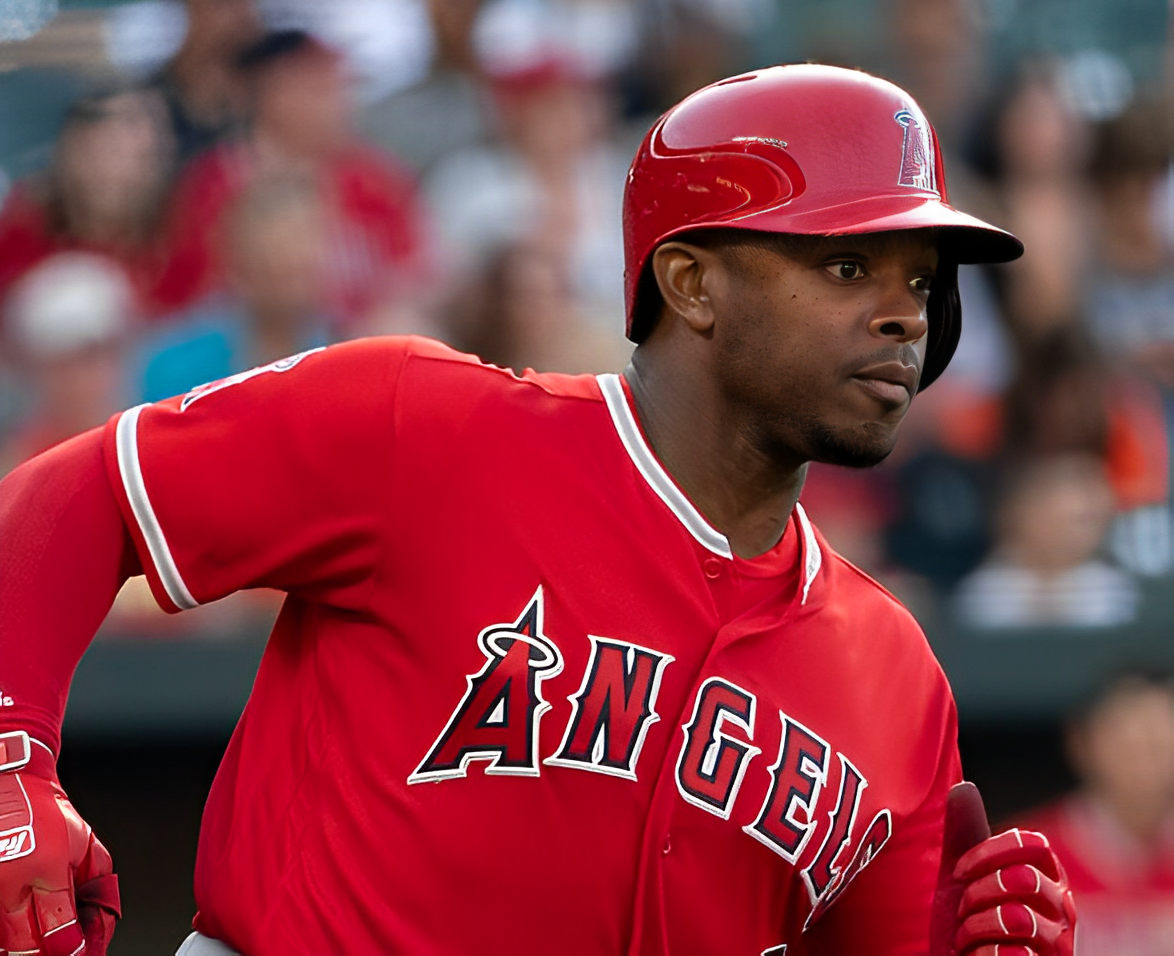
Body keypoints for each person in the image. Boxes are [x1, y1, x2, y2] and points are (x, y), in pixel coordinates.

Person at [0, 65, 1075, 955]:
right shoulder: (423, 423)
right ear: (691, 283)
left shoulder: (898, 679)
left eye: (922, 281)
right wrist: (13, 758)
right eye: (849, 264)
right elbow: (76, 496)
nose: (905, 314)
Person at [1018, 674, 1174, 954]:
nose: (1146, 761)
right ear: (1081, 744)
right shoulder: (1025, 857)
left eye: (1159, 742)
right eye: (1129, 742)